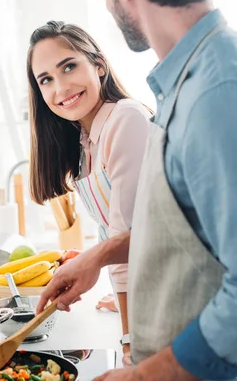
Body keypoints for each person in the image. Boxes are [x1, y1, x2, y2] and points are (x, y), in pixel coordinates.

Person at [36, 0, 237, 380]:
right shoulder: (191, 83)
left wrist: (143, 375)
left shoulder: (222, 90)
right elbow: (187, 230)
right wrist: (99, 256)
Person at [26, 20, 150, 366]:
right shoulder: (84, 145)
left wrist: (129, 346)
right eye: (46, 79)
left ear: (99, 64)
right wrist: (118, 295)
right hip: (145, 299)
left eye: (69, 66)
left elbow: (130, 239)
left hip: (174, 303)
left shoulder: (125, 119)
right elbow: (111, 235)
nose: (60, 87)